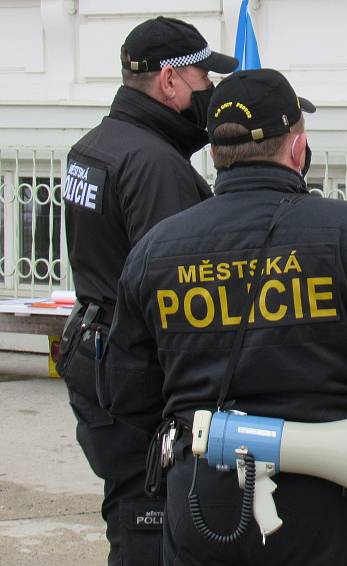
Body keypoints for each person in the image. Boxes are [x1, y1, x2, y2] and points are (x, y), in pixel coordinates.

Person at [103, 68, 347, 566]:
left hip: (203, 502)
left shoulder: (155, 249)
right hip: (324, 503)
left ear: (214, 153)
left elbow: (125, 393)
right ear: (297, 149)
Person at [57, 16, 237, 566]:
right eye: (205, 79)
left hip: (97, 350)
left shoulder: (95, 146)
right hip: (137, 376)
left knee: (128, 510)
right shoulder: (156, 166)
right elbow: (180, 292)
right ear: (170, 82)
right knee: (148, 525)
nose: (211, 92)